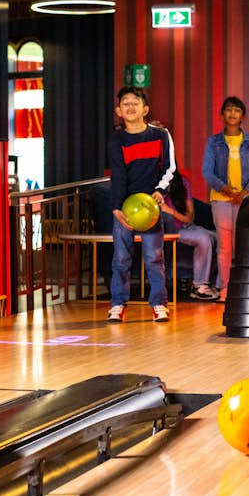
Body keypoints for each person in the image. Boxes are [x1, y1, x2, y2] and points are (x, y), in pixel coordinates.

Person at [107, 86, 176, 323]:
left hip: (150, 208)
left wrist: (159, 191)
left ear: (145, 109)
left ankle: (159, 304)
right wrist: (116, 208)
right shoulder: (116, 140)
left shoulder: (160, 135)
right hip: (125, 207)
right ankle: (117, 304)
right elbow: (117, 176)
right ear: (119, 111)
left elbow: (169, 168)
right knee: (121, 259)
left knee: (154, 258)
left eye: (135, 102)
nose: (130, 106)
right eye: (125, 103)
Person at [202, 96, 249, 303]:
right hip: (221, 199)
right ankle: (225, 288)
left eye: (237, 110)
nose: (232, 113)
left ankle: (245, 288)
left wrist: (245, 192)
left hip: (245, 200)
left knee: (244, 245)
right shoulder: (214, 142)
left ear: (242, 116)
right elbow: (207, 172)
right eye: (228, 110)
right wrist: (226, 189)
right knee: (225, 246)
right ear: (222, 115)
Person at [161, 170, 219, 300]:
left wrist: (171, 211)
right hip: (170, 229)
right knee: (203, 239)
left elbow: (189, 217)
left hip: (186, 226)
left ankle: (214, 283)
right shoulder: (150, 182)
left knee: (218, 238)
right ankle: (199, 287)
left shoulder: (182, 181)